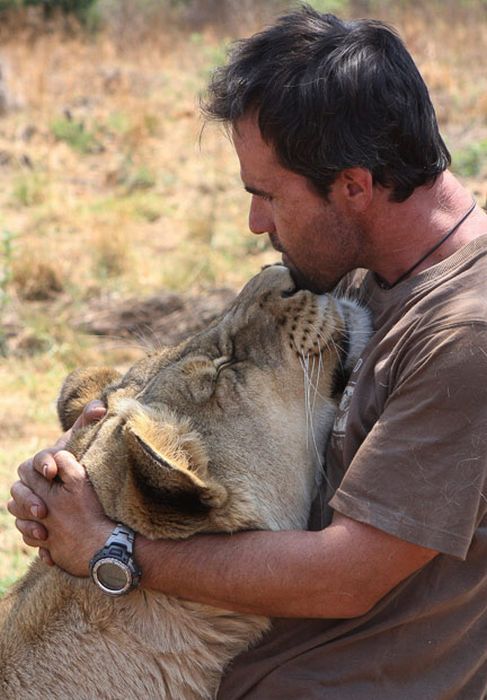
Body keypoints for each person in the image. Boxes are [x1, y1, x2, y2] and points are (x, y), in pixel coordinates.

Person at [8, 6, 487, 698]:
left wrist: (113, 549)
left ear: (352, 185)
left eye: (267, 195)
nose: (254, 222)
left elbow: (346, 574)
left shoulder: (464, 338)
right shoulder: (351, 269)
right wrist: (76, 470)